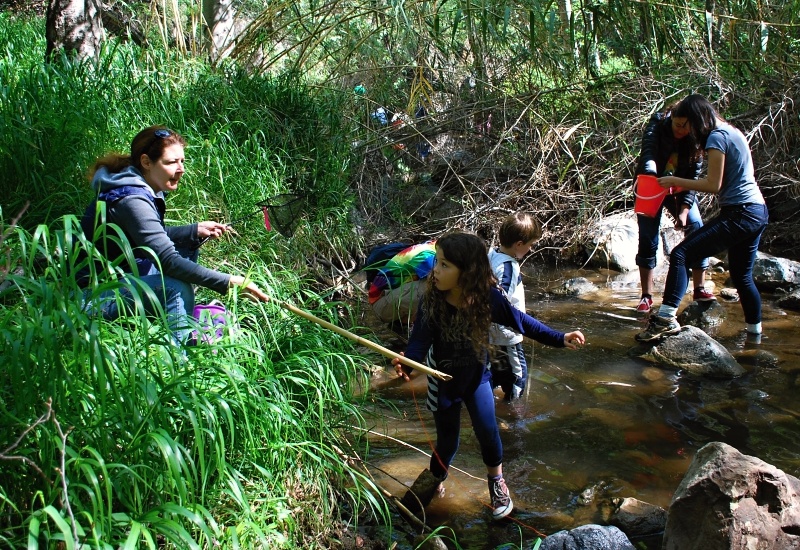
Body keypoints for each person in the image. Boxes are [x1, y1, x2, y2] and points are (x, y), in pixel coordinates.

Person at [392, 232, 585, 520]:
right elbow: (419, 341)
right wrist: (407, 364)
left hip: (477, 375)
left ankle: (497, 484)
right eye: (437, 263)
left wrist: (560, 337)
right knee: (448, 442)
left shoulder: (488, 298)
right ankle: (432, 483)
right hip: (441, 379)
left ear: (467, 273)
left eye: (445, 265)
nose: (435, 271)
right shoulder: (431, 301)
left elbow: (522, 323)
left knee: (487, 431)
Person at [79, 125, 269, 344]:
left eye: (182, 161)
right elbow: (167, 260)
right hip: (94, 296)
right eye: (171, 162)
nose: (181, 169)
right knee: (175, 286)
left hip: (121, 276)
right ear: (146, 162)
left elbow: (143, 237)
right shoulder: (131, 199)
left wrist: (192, 230)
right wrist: (228, 282)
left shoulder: (143, 182)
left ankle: (172, 321)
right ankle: (176, 360)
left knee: (187, 244)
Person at [635, 94, 769, 343]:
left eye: (690, 125)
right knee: (741, 277)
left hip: (740, 212)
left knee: (681, 254)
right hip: (758, 210)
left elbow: (713, 184)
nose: (689, 131)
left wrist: (674, 181)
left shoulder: (717, 137)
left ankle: (664, 319)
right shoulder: (733, 131)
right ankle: (755, 337)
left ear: (698, 120)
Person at [634, 99, 714, 313]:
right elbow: (648, 151)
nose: (681, 130)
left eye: (685, 126)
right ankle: (646, 296)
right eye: (677, 125)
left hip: (680, 186)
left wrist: (684, 209)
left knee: (696, 225)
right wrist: (650, 176)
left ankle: (699, 288)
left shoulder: (697, 136)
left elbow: (695, 174)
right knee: (648, 239)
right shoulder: (658, 123)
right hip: (652, 183)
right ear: (671, 119)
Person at [488, 213, 542, 401]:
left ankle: (490, 407)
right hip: (507, 336)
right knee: (517, 379)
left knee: (493, 375)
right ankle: (513, 417)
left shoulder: (492, 254)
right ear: (519, 244)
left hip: (490, 336)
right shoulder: (508, 267)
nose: (530, 249)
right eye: (530, 245)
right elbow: (501, 298)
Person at [367, 240, 435, 332]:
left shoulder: (432, 248)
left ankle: (403, 323)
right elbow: (436, 282)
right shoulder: (427, 255)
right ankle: (402, 325)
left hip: (389, 297)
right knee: (429, 288)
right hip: (380, 305)